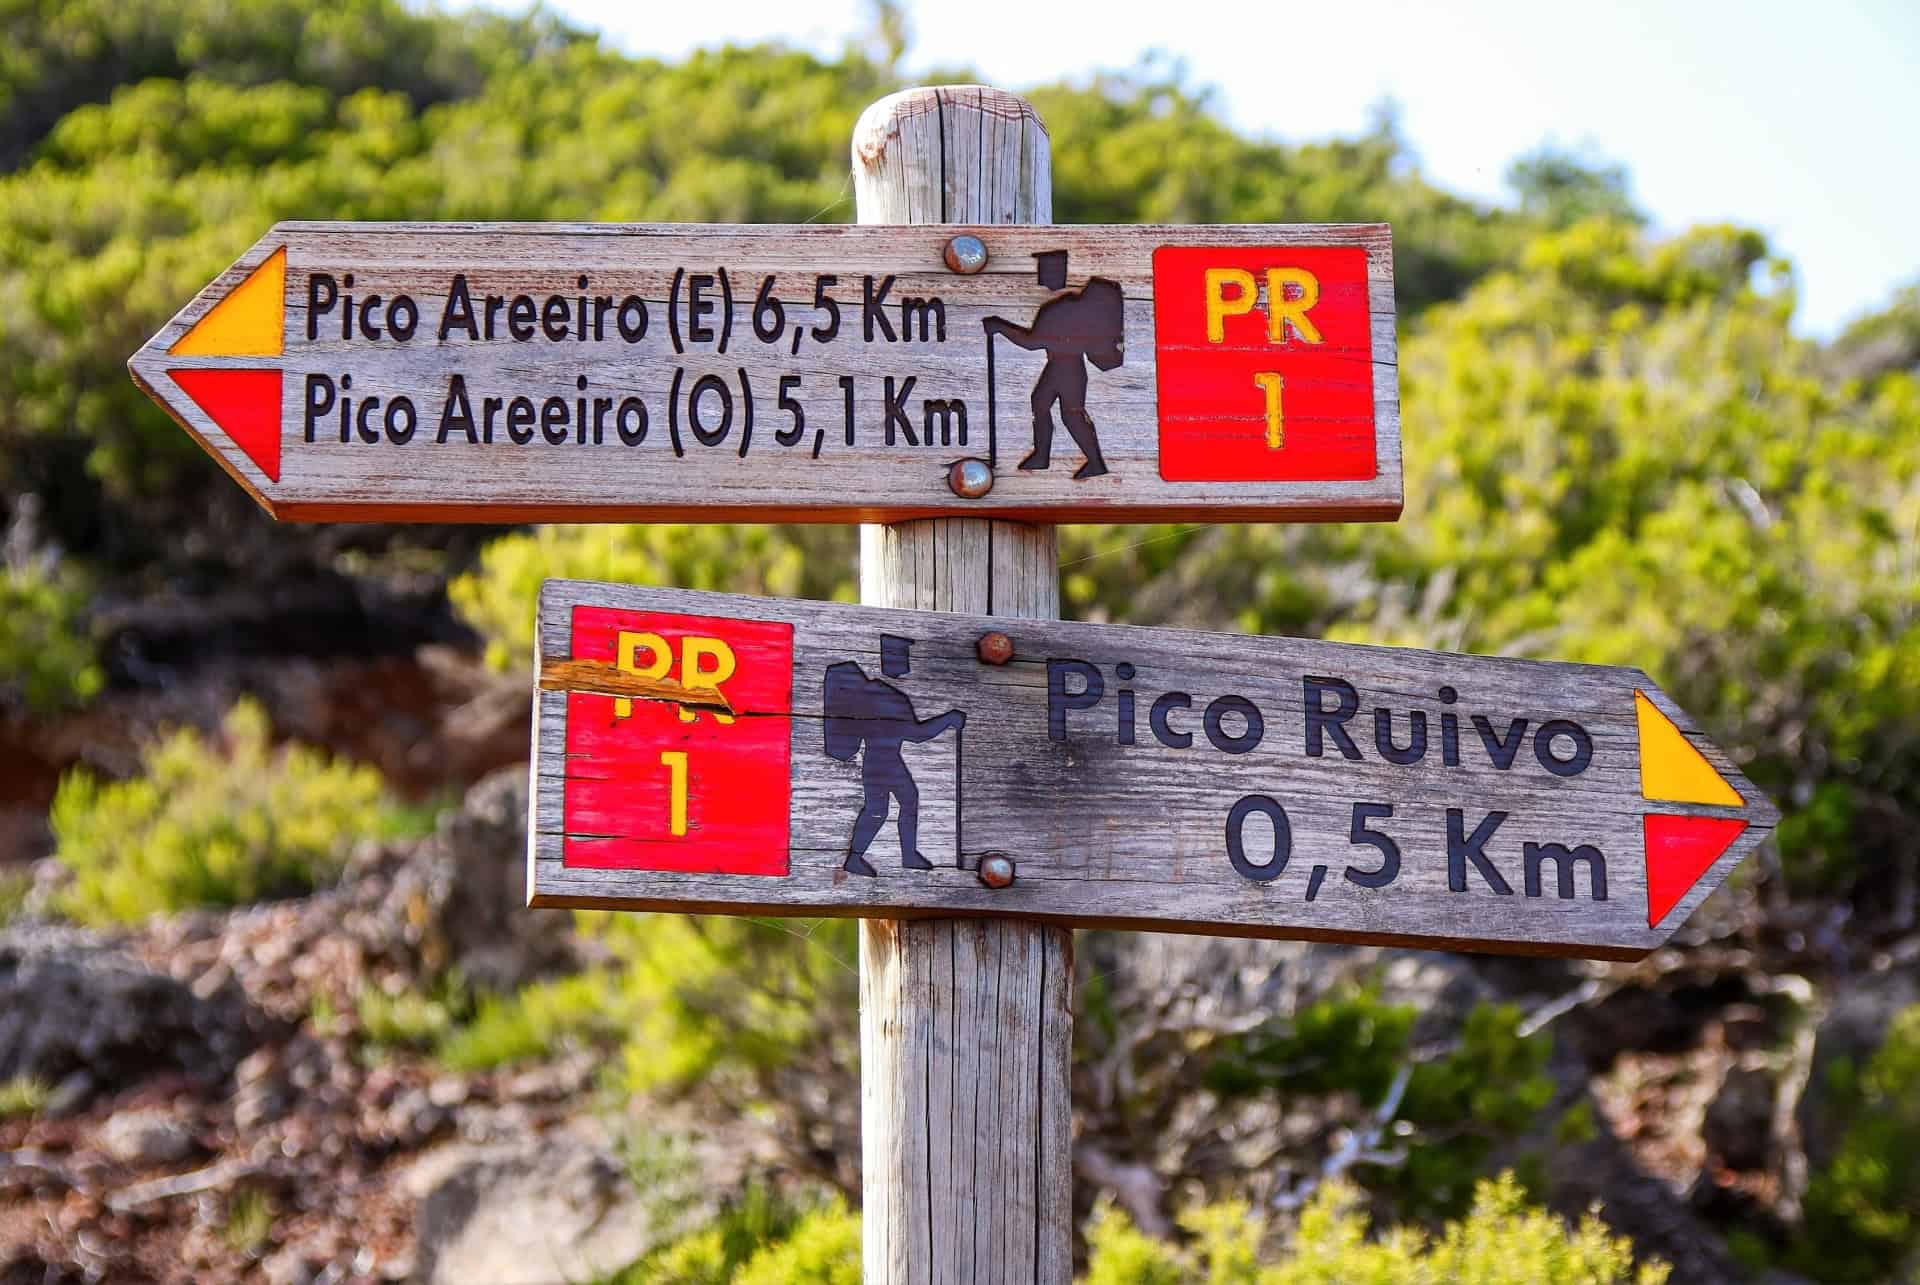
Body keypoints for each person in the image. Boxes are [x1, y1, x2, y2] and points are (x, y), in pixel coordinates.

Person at [822, 637, 966, 876]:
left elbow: (914, 732)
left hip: (885, 760)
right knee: (878, 809)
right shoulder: (883, 696)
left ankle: (905, 855)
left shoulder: (879, 693)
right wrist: (948, 719)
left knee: (903, 801)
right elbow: (917, 734)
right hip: (881, 762)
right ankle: (856, 858)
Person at [982, 250, 1126, 479]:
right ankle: (1042, 455)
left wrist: (1000, 327)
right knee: (1040, 403)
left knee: (1072, 414)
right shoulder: (1063, 306)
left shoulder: (1060, 309)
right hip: (1059, 366)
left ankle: (1095, 462)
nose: (1043, 277)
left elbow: (1032, 342)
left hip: (1068, 369)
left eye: (1047, 271)